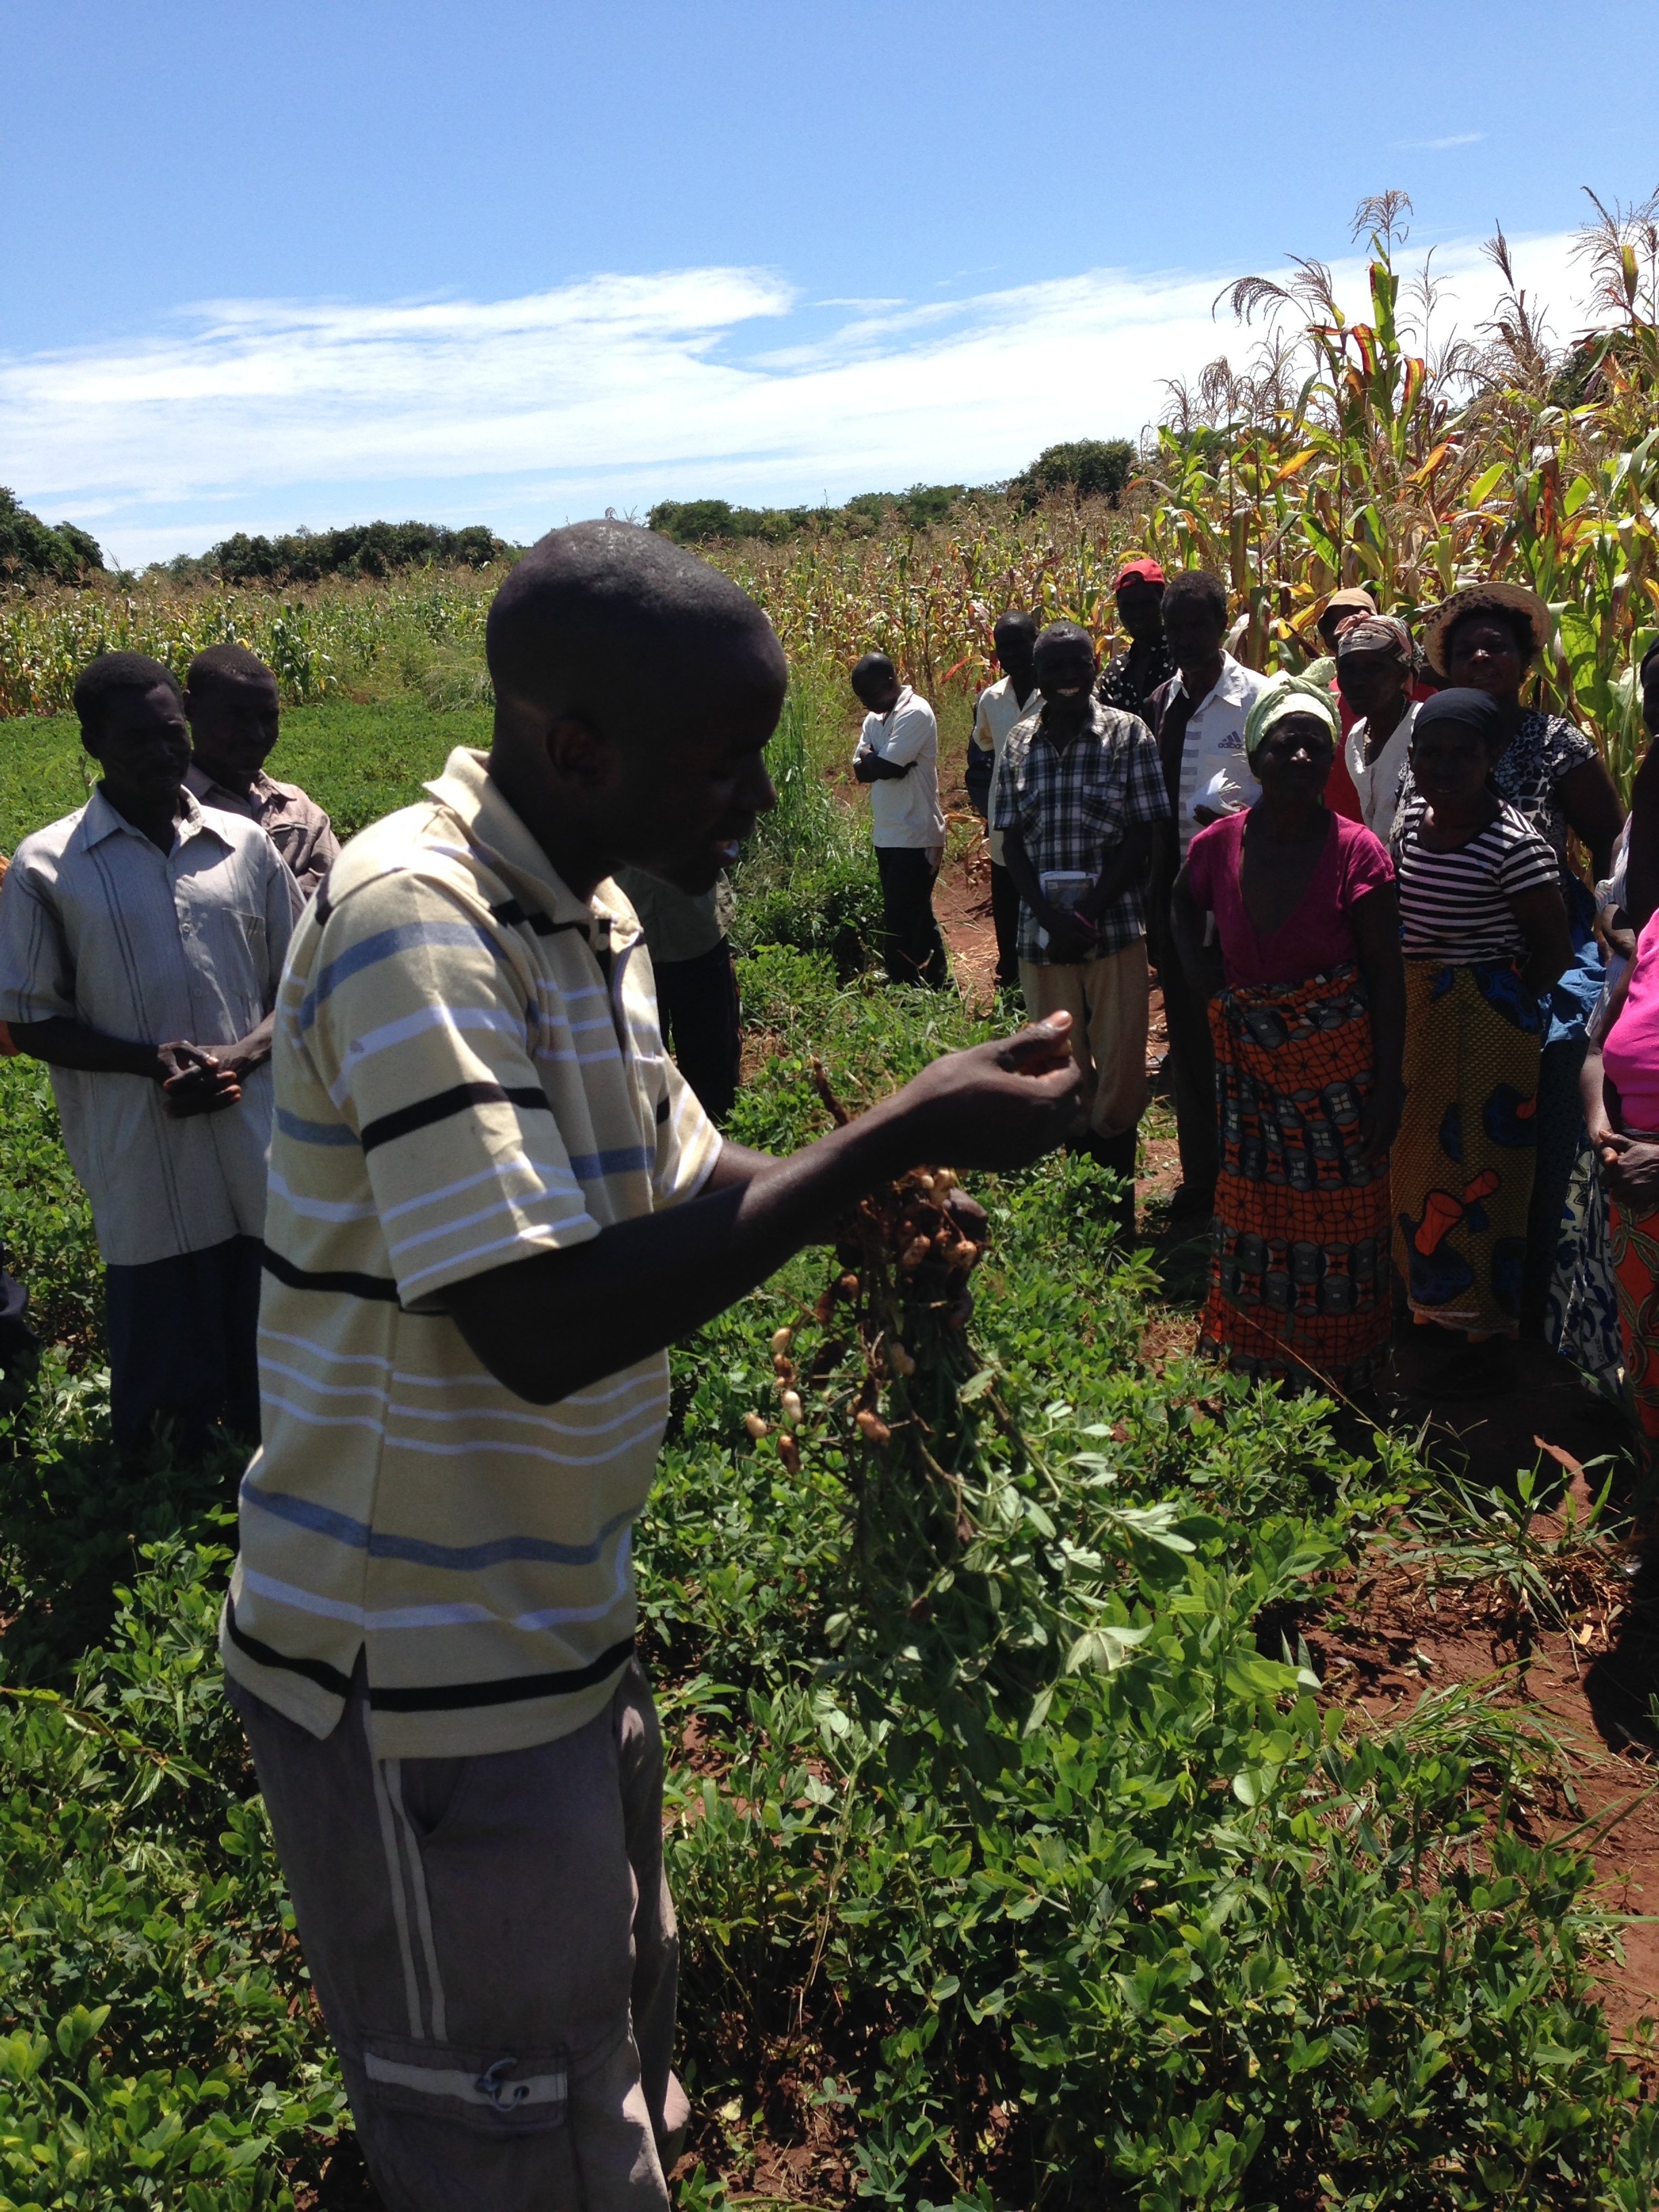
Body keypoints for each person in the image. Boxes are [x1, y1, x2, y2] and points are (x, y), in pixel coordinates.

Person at [220, 520, 1080, 2212]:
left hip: (553, 1626)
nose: (756, 797)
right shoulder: (418, 922)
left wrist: (870, 1187)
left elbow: (691, 1185)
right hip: (417, 1680)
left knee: (601, 2040)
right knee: (504, 2121)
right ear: (578, 747)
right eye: (725, 761)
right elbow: (536, 1322)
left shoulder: (585, 905)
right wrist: (898, 1122)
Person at [0, 652, 295, 1454]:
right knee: (162, 1346)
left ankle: (270, 1459)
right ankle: (166, 1472)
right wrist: (150, 1062)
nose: (161, 752)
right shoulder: (46, 866)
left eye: (171, 733)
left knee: (274, 1333)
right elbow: (29, 1020)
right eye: (136, 738)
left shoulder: (244, 845)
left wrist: (237, 1054)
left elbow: (303, 990)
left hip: (253, 1128)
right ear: (93, 740)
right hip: (140, 1141)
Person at [1171, 677, 1403, 1393]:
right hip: (1251, 1065)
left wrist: (1388, 1089)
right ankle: (1260, 1357)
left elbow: (1386, 980)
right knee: (1254, 1207)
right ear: (1257, 755)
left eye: (1314, 744)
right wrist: (1209, 981)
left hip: (1336, 1069)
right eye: (1284, 743)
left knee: (1345, 1215)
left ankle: (1340, 1372)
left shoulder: (1358, 853)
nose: (1300, 756)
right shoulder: (1218, 845)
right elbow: (1179, 906)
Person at [1411, 581, 1624, 1345]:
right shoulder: (1432, 739)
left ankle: (1537, 1278)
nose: (1481, 657)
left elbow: (1608, 837)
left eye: (1497, 645)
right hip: (1446, 949)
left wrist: (1610, 924)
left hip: (1540, 940)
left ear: (1525, 659)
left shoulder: (1555, 742)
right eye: (1467, 647)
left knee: (1558, 1073)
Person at [1389, 689, 1572, 1372]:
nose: (1446, 766)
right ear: (1414, 758)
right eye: (1431, 753)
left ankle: (1483, 1336)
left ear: (1490, 757)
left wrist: (1500, 1002)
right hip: (1421, 1006)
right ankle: (1428, 1306)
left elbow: (1552, 946)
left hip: (1488, 1015)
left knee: (1483, 1171)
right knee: (1420, 1162)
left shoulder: (1513, 843)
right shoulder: (1412, 822)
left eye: (1464, 754)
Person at [994, 621, 1170, 1237]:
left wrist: (1088, 911)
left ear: (1096, 667)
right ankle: (1082, 1220)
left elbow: (1143, 836)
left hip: (1114, 927)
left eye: (1079, 665)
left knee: (1120, 1068)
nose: (1068, 678)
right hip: (1041, 937)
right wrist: (1049, 916)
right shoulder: (1017, 742)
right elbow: (1011, 842)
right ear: (1036, 677)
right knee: (1059, 1068)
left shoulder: (1128, 735)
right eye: (1054, 668)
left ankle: (1118, 1216)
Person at [1144, 570, 1269, 1220]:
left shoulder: (1259, 700)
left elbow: (1281, 793)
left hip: (1240, 905)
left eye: (1199, 625)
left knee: (1241, 1047)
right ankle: (1203, 1182)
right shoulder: (1163, 700)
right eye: (1176, 628)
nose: (1186, 638)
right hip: (1177, 900)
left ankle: (1251, 1186)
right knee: (1191, 1046)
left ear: (1224, 626)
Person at [1582, 901, 1659, 1465]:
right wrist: (1602, 1129)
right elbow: (1596, 1047)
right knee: (1651, 1369)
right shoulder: (1657, 929)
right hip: (1636, 1197)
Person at [184, 642, 339, 901]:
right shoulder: (171, 812)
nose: (256, 734)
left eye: (268, 717)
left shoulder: (297, 810)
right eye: (236, 716)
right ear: (190, 708)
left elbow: (337, 897)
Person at [851, 651, 949, 987]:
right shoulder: (874, 719)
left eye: (870, 695)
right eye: (861, 698)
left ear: (891, 683)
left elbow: (887, 767)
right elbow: (862, 770)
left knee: (899, 922)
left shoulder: (916, 712)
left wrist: (878, 761)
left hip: (916, 833)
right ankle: (938, 984)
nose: (865, 704)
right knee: (917, 917)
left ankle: (905, 988)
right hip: (888, 834)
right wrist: (877, 761)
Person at [612, 868, 741, 1119]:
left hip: (696, 930)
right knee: (637, 1068)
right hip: (627, 938)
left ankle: (717, 1140)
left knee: (712, 1070)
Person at [967, 611, 1040, 989]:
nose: (1011, 653)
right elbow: (985, 747)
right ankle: (1009, 978)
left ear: (1036, 641)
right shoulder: (992, 699)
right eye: (1003, 646)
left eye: (1019, 643)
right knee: (1008, 901)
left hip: (1048, 822)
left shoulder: (1058, 691)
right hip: (1005, 820)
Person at [1337, 614, 1418, 842]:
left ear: (1402, 674)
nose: (1357, 681)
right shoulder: (1356, 737)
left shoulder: (1423, 728)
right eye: (1348, 669)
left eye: (1373, 668)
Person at [1095, 556, 1175, 717]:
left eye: (1146, 603)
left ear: (1164, 603)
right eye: (1128, 606)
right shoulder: (1116, 671)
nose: (1137, 614)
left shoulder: (1182, 659)